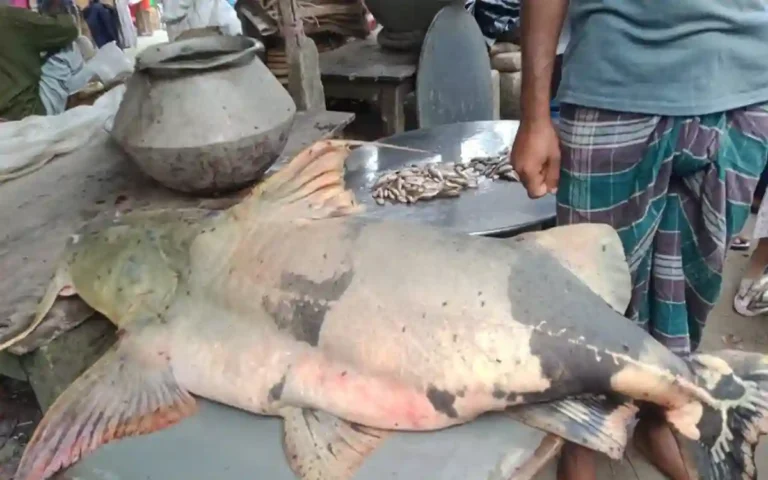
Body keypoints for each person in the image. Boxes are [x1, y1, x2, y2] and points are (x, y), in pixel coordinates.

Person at [510, 1, 768, 479]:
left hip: (744, 83)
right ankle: (578, 443)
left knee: (690, 291)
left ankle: (654, 416)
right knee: (585, 299)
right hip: (616, 79)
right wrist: (535, 114)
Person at [0, 5, 78, 120]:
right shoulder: (8, 16)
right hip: (27, 112)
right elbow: (68, 29)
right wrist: (58, 9)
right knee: (71, 46)